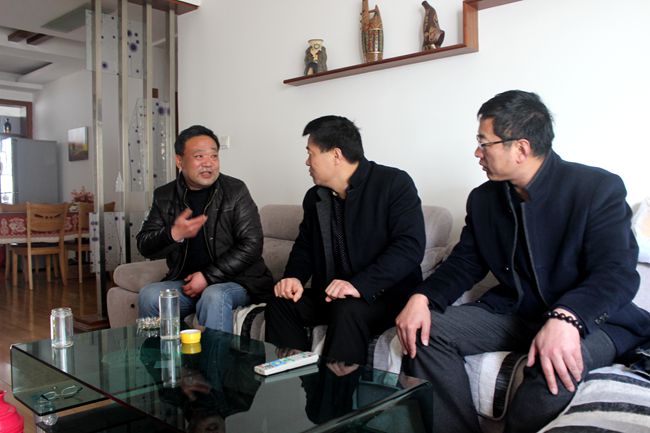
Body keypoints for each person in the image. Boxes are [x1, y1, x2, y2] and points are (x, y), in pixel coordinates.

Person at [395, 90, 650, 432]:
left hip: (591, 321)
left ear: (521, 148)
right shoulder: (484, 200)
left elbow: (616, 272)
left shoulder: (596, 188)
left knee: (552, 363)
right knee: (427, 332)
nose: (477, 152)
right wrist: (421, 297)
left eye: (483, 143)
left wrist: (567, 317)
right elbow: (464, 263)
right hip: (517, 313)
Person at [265, 115, 426, 364]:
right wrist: (293, 277)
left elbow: (409, 248)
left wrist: (358, 285)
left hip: (383, 296)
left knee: (347, 309)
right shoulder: (316, 197)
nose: (307, 161)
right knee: (281, 302)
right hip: (332, 295)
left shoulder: (393, 183)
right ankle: (292, 375)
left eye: (311, 153)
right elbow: (305, 246)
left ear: (336, 155)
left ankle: (337, 387)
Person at [137, 124, 273, 333]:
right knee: (149, 295)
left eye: (214, 156)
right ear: (179, 161)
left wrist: (208, 277)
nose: (208, 163)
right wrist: (174, 234)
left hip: (238, 282)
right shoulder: (164, 195)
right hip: (188, 283)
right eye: (199, 156)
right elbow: (144, 245)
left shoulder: (235, 190)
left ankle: (215, 356)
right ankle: (160, 353)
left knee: (214, 295)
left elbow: (252, 244)